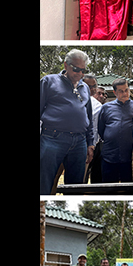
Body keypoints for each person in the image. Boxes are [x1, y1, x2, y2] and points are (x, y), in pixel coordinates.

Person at [40, 49, 95, 195]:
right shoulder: (48, 81)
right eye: (76, 69)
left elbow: (88, 117)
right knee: (44, 182)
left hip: (79, 142)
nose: (80, 74)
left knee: (76, 187)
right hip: (53, 139)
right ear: (66, 65)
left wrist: (90, 143)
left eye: (83, 70)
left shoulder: (84, 88)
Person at [97, 78, 133, 183]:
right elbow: (101, 129)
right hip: (109, 156)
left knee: (129, 190)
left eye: (126, 90)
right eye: (121, 91)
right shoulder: (106, 108)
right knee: (109, 189)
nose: (124, 93)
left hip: (130, 157)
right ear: (114, 92)